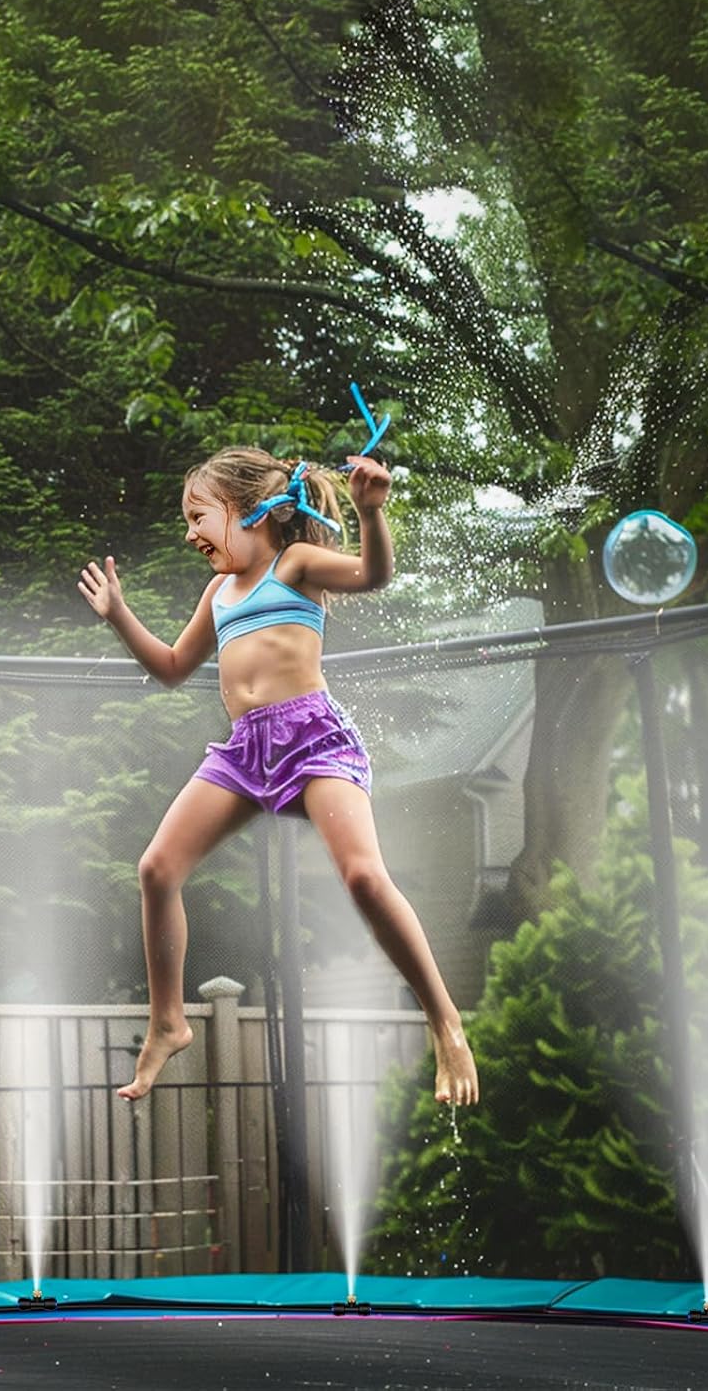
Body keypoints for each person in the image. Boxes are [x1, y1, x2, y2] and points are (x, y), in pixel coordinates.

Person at [78, 446, 479, 1107]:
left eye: (200, 517)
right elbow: (174, 667)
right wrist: (120, 613)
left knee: (364, 877)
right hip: (246, 751)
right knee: (156, 869)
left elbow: (373, 574)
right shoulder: (218, 593)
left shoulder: (295, 566)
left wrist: (370, 513)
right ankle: (168, 1022)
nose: (190, 533)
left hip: (314, 738)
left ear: (254, 512)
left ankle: (444, 1019)